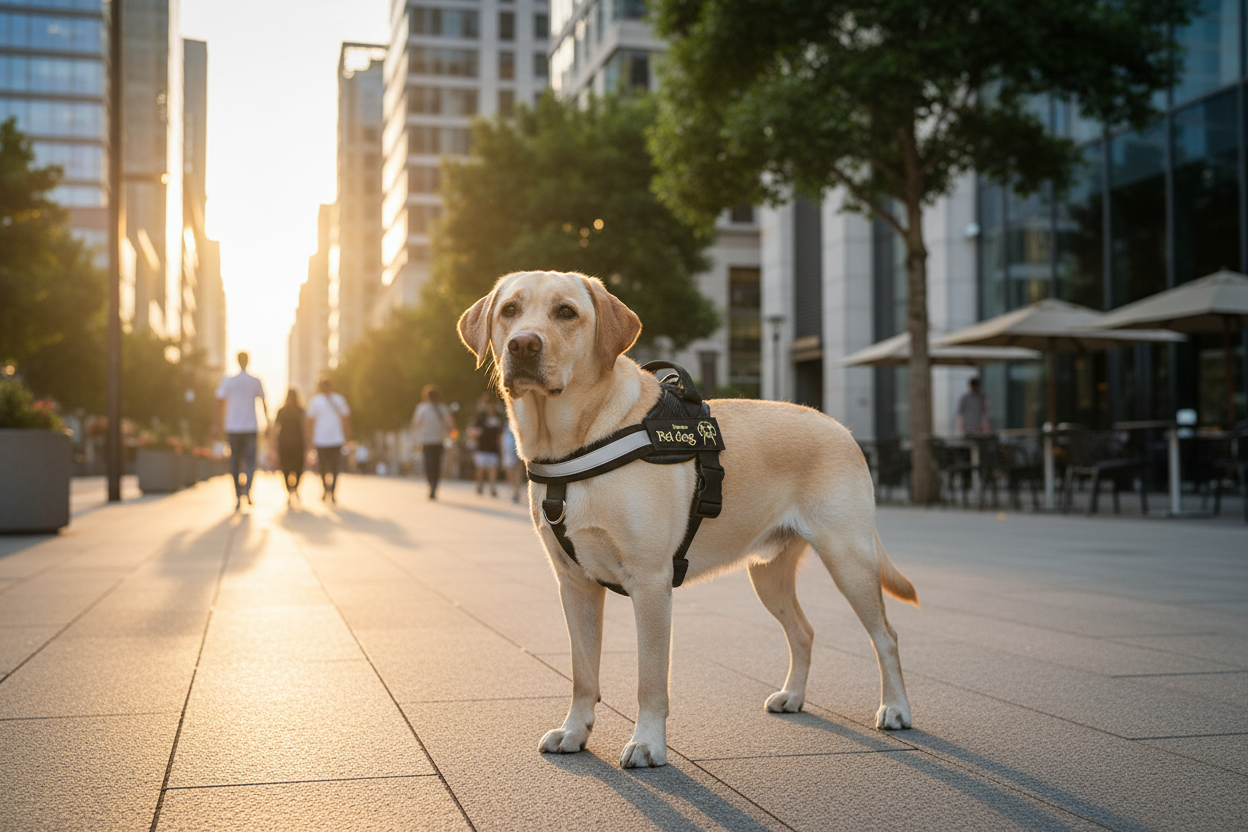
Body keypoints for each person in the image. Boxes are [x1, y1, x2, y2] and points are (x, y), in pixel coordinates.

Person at [214, 351, 267, 510]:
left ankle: (238, 495)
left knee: (235, 462)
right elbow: (264, 403)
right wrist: (268, 424)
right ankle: (248, 492)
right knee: (250, 461)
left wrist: (216, 424)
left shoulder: (228, 381)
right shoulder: (255, 381)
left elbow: (219, 403)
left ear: (237, 361)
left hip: (233, 427)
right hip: (250, 427)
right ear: (247, 361)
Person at [305, 376, 351, 503]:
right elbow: (310, 422)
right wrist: (310, 440)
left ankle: (333, 491)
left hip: (336, 439)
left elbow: (346, 419)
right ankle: (325, 489)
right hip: (321, 440)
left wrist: (347, 436)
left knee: (336, 467)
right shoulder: (315, 401)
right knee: (322, 467)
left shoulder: (339, 400)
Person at [411, 384, 454, 499]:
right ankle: (435, 484)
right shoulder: (442, 408)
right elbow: (450, 424)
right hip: (439, 440)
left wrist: (416, 437)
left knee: (428, 464)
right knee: (437, 464)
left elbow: (416, 424)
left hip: (426, 441)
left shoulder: (421, 408)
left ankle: (431, 485)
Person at [274, 388, 306, 502]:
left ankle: (289, 488)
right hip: (298, 443)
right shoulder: (301, 411)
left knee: (286, 467)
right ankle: (295, 487)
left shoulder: (282, 411)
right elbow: (305, 428)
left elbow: (275, 429)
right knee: (298, 467)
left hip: (284, 443)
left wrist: (273, 445)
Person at [470, 397, 504, 497]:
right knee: (481, 469)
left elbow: (500, 436)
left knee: (493, 469)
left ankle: (492, 488)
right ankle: (479, 484)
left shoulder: (498, 420)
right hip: (481, 448)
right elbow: (472, 432)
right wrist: (476, 433)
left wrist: (501, 447)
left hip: (493, 449)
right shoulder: (480, 419)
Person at [500, 415, 524, 503]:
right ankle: (513, 489)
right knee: (511, 470)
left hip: (520, 445)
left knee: (518, 470)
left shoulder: (523, 419)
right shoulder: (506, 422)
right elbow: (502, 436)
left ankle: (516, 492)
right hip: (509, 448)